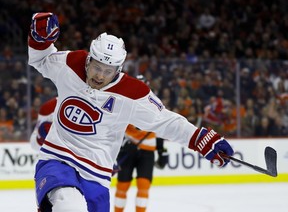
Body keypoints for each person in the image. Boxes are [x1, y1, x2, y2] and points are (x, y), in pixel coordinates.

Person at [28, 12, 234, 212]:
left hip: (96, 173)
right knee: (69, 205)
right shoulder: (71, 63)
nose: (100, 76)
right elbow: (42, 60)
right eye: (97, 67)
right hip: (57, 157)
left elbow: (166, 121)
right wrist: (39, 40)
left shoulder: (132, 93)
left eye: (108, 71)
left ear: (118, 69)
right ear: (89, 59)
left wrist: (200, 139)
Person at [114, 75, 168, 212]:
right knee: (122, 186)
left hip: (147, 151)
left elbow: (160, 127)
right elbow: (114, 125)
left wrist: (161, 151)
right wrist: (123, 143)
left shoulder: (155, 104)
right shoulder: (123, 102)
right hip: (127, 149)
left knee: (143, 186)